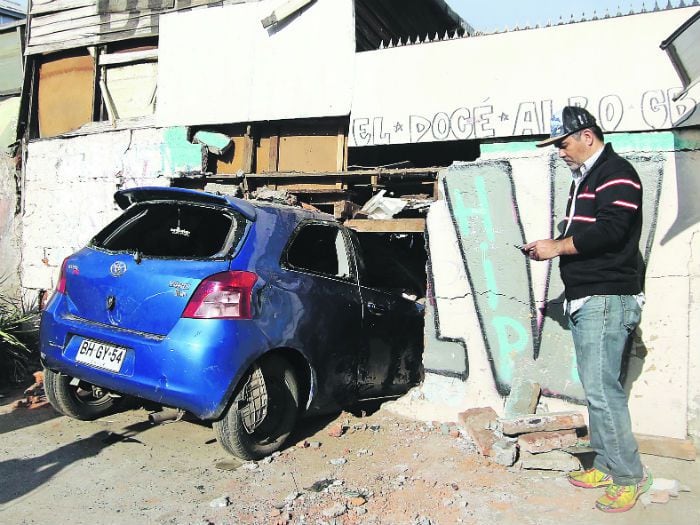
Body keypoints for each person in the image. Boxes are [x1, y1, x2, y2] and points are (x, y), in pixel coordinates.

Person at [523, 106, 651, 513]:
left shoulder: (617, 172)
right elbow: (587, 231)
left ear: (587, 137)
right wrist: (552, 244)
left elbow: (612, 231)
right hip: (589, 297)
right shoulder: (588, 177)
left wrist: (557, 247)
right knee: (596, 390)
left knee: (602, 391)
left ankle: (629, 476)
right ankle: (607, 465)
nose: (559, 152)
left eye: (562, 144)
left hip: (606, 298)